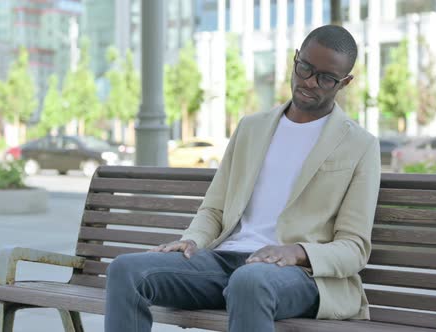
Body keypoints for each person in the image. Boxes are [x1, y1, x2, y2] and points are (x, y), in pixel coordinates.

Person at [105, 25, 381, 332]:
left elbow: (354, 248)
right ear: (295, 60)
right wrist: (192, 240)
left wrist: (296, 252)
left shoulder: (360, 145)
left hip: (301, 276)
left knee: (249, 281)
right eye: (305, 68)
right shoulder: (251, 128)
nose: (309, 83)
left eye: (326, 78)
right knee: (126, 270)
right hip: (225, 261)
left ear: (344, 82)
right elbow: (214, 209)